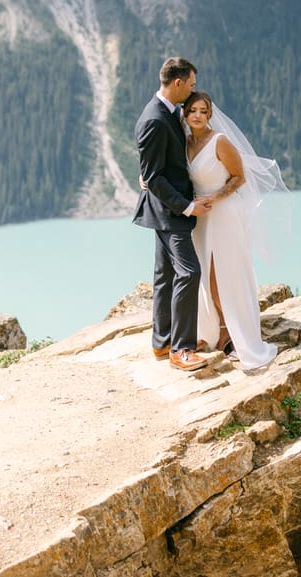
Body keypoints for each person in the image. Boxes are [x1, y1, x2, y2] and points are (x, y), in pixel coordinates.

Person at [180, 91, 282, 370]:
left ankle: (239, 337)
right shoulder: (185, 142)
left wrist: (216, 197)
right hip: (201, 219)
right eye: (193, 111)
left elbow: (240, 177)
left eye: (203, 110)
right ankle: (219, 331)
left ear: (210, 114)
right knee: (204, 272)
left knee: (225, 275)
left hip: (224, 213)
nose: (198, 115)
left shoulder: (219, 142)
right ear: (185, 115)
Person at [133, 57, 210, 373]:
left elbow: (153, 169)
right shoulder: (154, 119)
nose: (193, 90)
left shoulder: (167, 113)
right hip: (169, 212)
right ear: (177, 83)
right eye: (191, 84)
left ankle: (162, 342)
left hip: (164, 210)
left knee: (165, 277)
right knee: (189, 272)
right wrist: (188, 206)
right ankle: (182, 350)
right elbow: (153, 177)